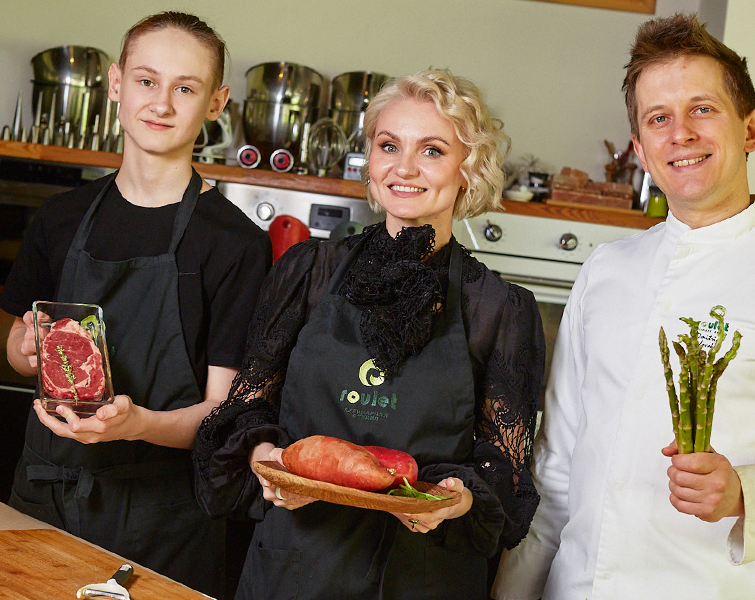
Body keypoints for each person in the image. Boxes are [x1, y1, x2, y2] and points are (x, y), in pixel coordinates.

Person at [492, 13, 755, 600]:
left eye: (702, 109)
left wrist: (746, 491)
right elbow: (556, 465)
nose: (681, 134)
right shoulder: (605, 270)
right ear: (641, 150)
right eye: (658, 118)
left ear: (750, 129)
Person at [192, 69, 545, 600]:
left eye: (432, 150)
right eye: (388, 145)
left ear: (468, 171)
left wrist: (460, 497)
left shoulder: (498, 307)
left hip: (423, 575)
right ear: (371, 162)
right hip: (296, 567)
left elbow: (505, 465)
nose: (404, 168)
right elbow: (247, 408)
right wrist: (265, 457)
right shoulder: (308, 272)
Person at [0, 12, 270, 598]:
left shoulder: (235, 244)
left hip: (162, 520)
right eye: (147, 81)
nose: (162, 104)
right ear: (116, 83)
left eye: (186, 88)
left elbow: (222, 416)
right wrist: (23, 349)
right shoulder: (61, 219)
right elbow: (20, 353)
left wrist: (136, 424)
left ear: (216, 102)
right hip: (44, 493)